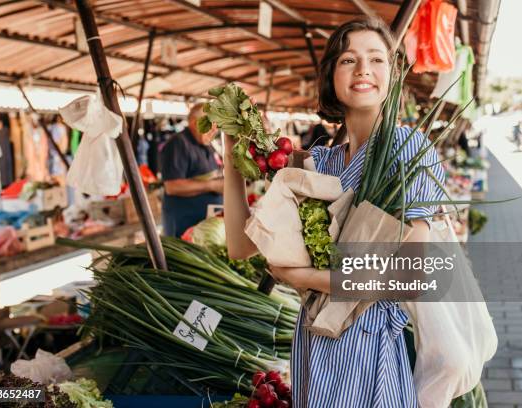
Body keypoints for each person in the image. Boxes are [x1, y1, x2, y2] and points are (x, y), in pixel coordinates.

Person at [223, 18, 445, 407]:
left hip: (367, 352)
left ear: (392, 75)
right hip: (314, 346)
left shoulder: (407, 150)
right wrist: (231, 156)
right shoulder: (319, 164)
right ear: (331, 76)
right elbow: (241, 246)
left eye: (376, 59)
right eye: (348, 60)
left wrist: (305, 276)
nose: (363, 69)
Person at [159, 104, 223, 238]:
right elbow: (172, 186)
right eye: (211, 126)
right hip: (183, 223)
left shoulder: (206, 144)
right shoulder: (177, 144)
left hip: (203, 224)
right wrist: (212, 185)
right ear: (195, 123)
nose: (214, 131)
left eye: (216, 127)